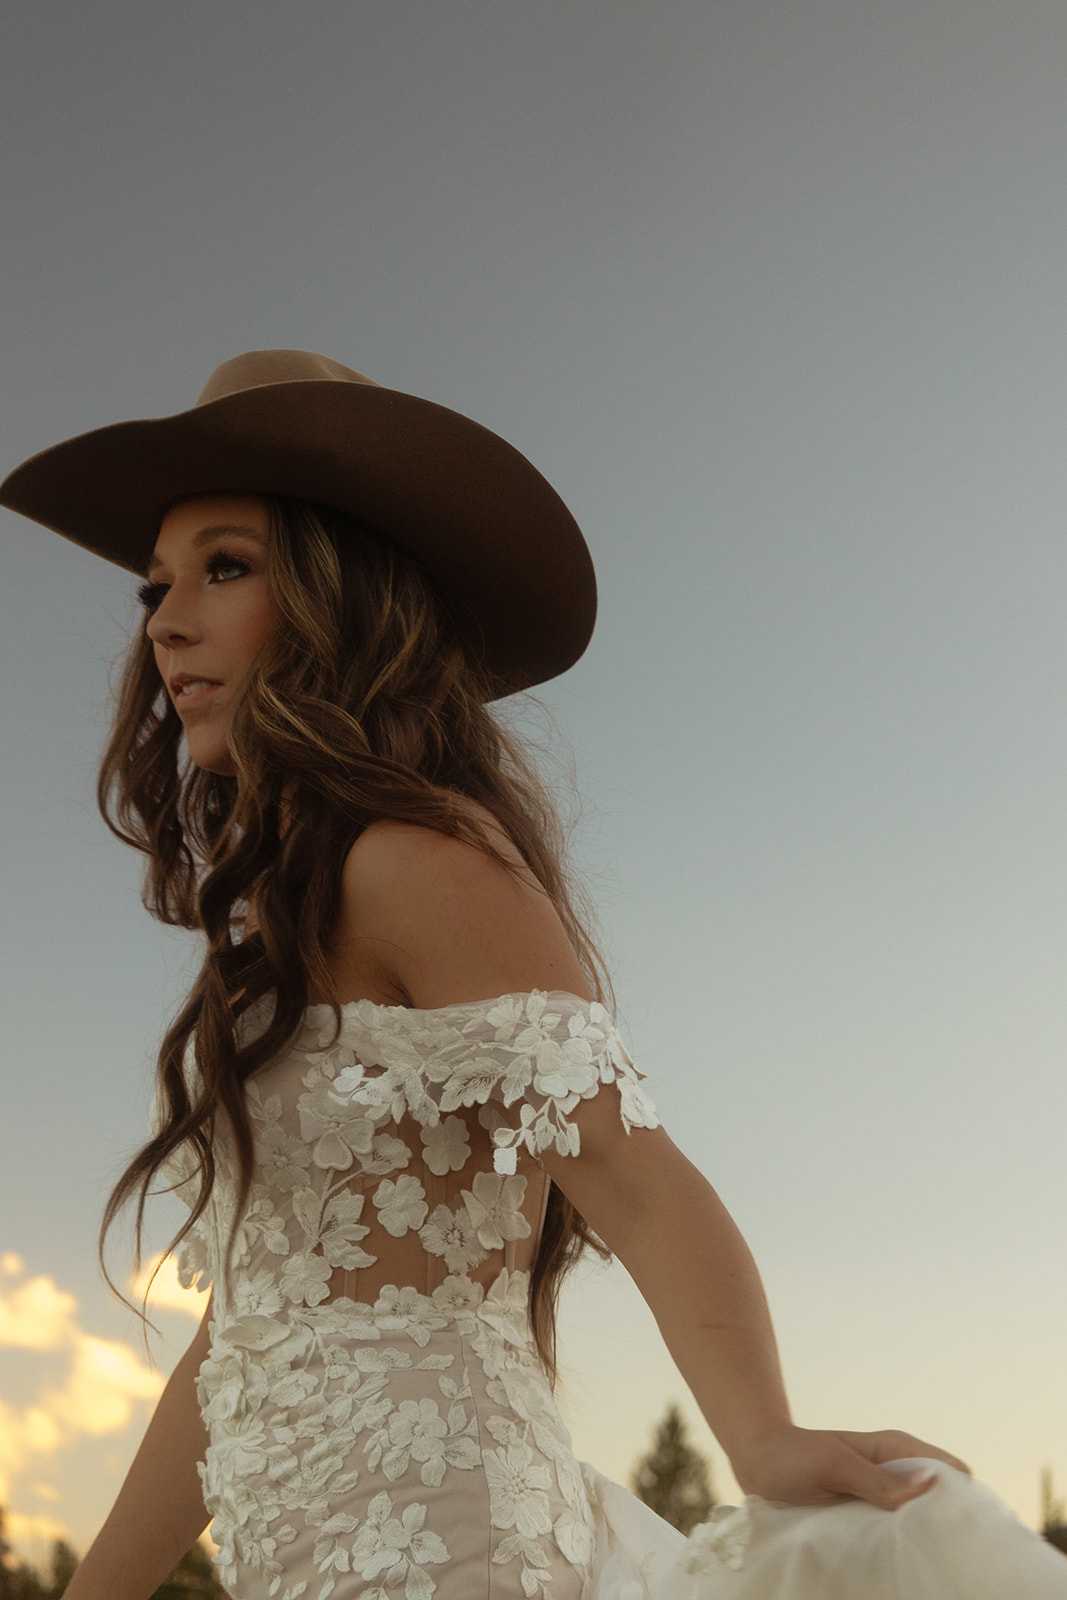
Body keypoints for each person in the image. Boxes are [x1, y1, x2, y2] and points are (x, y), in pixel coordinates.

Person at [2, 349, 1063, 1600]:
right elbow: (245, 1333)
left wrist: (761, 1438)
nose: (168, 618)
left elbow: (629, 1170)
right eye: (156, 586)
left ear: (347, 602)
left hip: (454, 1554)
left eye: (224, 567)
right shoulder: (268, 948)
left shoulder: (414, 863)